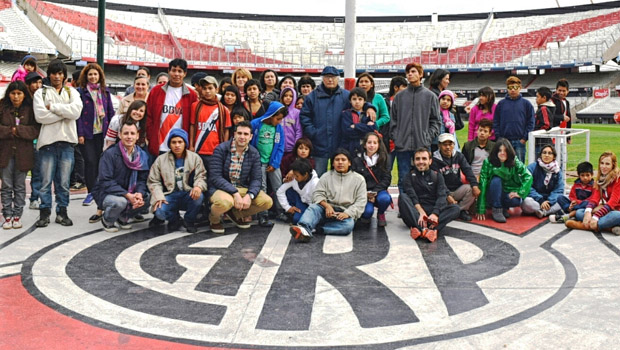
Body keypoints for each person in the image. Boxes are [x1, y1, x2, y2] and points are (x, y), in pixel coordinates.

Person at [33, 59, 83, 227]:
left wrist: (53, 107)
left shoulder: (71, 92)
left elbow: (76, 112)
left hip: (67, 143)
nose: (57, 76)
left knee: (63, 182)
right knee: (45, 182)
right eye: (54, 73)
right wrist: (65, 113)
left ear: (64, 75)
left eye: (60, 73)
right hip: (47, 143)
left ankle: (62, 212)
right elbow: (40, 116)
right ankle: (44, 212)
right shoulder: (41, 93)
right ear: (49, 75)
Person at [300, 66, 376, 176]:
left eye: (333, 77)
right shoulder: (312, 97)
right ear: (322, 78)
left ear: (338, 79)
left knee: (339, 177)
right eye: (327, 77)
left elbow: (358, 103)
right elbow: (304, 117)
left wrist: (369, 107)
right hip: (319, 144)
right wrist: (314, 133)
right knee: (318, 177)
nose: (330, 80)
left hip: (340, 144)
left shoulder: (345, 95)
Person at [207, 120, 273, 234]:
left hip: (241, 187)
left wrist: (249, 195)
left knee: (267, 201)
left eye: (246, 134)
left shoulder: (254, 153)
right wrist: (235, 193)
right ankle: (214, 219)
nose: (242, 137)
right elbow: (215, 177)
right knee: (224, 203)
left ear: (251, 136)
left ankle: (235, 214)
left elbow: (257, 179)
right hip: (220, 188)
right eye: (240, 133)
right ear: (234, 134)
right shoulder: (221, 149)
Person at [289, 149, 367, 242]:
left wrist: (348, 213)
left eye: (343, 160)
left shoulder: (359, 179)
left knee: (348, 226)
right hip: (325, 210)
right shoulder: (326, 176)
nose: (340, 162)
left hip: (344, 212)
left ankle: (317, 229)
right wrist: (327, 206)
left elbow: (361, 202)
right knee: (314, 208)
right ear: (333, 163)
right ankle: (304, 228)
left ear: (349, 163)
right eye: (337, 160)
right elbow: (317, 194)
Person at [390, 62, 441, 189]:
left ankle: (422, 206)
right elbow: (393, 121)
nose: (410, 74)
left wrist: (427, 138)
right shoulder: (399, 97)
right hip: (403, 146)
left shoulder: (431, 97)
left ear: (420, 74)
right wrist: (397, 138)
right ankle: (405, 207)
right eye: (408, 72)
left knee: (424, 179)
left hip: (422, 145)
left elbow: (436, 121)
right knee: (403, 178)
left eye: (413, 72)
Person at [92, 122, 150, 232]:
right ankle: (108, 220)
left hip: (129, 192)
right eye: (126, 133)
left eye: (132, 133)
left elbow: (142, 179)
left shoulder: (142, 155)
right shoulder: (109, 154)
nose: (129, 137)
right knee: (120, 202)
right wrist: (128, 195)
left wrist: (139, 194)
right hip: (107, 193)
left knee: (148, 198)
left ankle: (123, 217)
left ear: (137, 136)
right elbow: (105, 181)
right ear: (120, 135)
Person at [148, 128, 207, 233]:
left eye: (180, 142)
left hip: (187, 193)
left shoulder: (195, 158)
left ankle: (189, 221)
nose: (177, 145)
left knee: (199, 197)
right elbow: (153, 181)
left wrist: (198, 186)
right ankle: (175, 220)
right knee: (159, 211)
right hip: (169, 194)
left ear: (185, 143)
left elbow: (201, 176)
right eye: (173, 142)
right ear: (169, 144)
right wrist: (159, 197)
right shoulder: (160, 160)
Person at [0, 81, 40, 229]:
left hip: (24, 153)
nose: (16, 97)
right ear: (8, 94)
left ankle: (17, 215)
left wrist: (20, 131)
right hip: (5, 152)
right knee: (6, 185)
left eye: (19, 93)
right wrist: (10, 131)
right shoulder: (2, 107)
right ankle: (7, 215)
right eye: (13, 93)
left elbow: (36, 129)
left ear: (24, 94)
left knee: (19, 186)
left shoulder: (30, 109)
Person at [398, 147, 460, 242]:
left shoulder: (437, 176)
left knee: (455, 209)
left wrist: (435, 213)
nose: (421, 161)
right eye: (417, 159)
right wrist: (421, 212)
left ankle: (426, 229)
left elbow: (442, 196)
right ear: (414, 161)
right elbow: (412, 196)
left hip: (433, 211)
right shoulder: (409, 176)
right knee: (403, 197)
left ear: (430, 161)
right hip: (416, 212)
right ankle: (424, 228)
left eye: (424, 158)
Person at [76, 63, 115, 207]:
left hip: (102, 133)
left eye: (95, 74)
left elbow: (110, 112)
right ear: (86, 76)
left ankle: (100, 190)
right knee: (90, 162)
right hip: (87, 134)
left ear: (100, 76)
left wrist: (113, 133)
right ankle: (91, 191)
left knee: (101, 163)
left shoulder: (105, 92)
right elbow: (78, 115)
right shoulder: (80, 92)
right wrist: (80, 133)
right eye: (90, 74)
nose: (93, 77)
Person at [146, 58, 198, 156]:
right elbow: (149, 116)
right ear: (169, 71)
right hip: (158, 146)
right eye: (174, 70)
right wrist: (151, 137)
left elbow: (193, 122)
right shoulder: (156, 91)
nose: (176, 74)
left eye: (180, 71)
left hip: (180, 147)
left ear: (185, 73)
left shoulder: (191, 95)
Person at [476, 138, 533, 223]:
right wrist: (481, 207)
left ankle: (503, 208)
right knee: (496, 180)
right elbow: (483, 183)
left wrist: (520, 192)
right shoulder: (488, 162)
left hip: (507, 192)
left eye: (505, 151)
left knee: (515, 201)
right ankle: (496, 208)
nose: (502, 153)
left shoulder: (515, 161)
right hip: (491, 193)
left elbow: (528, 176)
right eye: (499, 151)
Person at [250, 101, 287, 226]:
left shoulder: (278, 128)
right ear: (271, 115)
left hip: (273, 163)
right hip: (258, 163)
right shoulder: (255, 124)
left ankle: (280, 211)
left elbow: (281, 146)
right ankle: (263, 215)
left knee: (278, 186)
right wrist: (254, 161)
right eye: (278, 119)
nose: (279, 121)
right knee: (262, 188)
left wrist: (275, 163)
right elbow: (250, 144)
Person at [431, 133, 480, 221]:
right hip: (442, 192)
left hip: (457, 189)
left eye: (450, 144)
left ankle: (460, 210)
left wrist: (475, 185)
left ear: (454, 145)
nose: (448, 147)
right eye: (444, 144)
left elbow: (468, 170)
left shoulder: (459, 156)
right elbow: (438, 181)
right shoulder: (434, 160)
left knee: (470, 189)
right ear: (439, 145)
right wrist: (447, 195)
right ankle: (451, 210)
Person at [569, 152, 620, 235]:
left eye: (607, 164)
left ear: (613, 165)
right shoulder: (600, 179)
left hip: (616, 210)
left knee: (617, 216)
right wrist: (588, 212)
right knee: (580, 212)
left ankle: (582, 226)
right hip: (609, 210)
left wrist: (596, 216)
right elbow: (595, 198)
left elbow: (613, 202)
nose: (604, 166)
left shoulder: (618, 179)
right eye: (602, 163)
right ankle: (608, 228)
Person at [189, 76, 231, 171]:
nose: (207, 91)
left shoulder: (224, 110)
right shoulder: (195, 106)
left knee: (213, 179)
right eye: (204, 88)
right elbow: (192, 126)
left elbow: (226, 131)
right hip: (198, 149)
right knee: (198, 178)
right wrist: (191, 145)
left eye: (210, 88)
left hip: (215, 151)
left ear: (216, 89)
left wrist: (223, 148)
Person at [352, 132, 392, 227]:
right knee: (367, 212)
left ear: (379, 145)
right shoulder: (357, 160)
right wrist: (366, 194)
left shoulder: (384, 158)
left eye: (375, 143)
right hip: (363, 192)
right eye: (369, 142)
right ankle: (366, 216)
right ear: (365, 145)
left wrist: (374, 192)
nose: (372, 145)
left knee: (385, 199)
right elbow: (354, 180)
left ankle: (381, 213)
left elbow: (387, 179)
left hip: (378, 191)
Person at [493, 76, 535, 162]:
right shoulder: (501, 104)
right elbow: (496, 121)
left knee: (519, 166)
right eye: (510, 87)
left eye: (515, 87)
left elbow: (531, 122)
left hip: (519, 141)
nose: (513, 90)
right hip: (504, 141)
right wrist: (499, 137)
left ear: (520, 88)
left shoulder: (526, 104)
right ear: (507, 88)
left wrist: (524, 138)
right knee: (504, 164)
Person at [521, 145, 565, 218]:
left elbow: (559, 189)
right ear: (540, 155)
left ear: (554, 156)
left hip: (550, 200)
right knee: (526, 202)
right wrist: (541, 200)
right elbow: (527, 187)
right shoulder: (532, 167)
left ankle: (543, 212)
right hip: (536, 200)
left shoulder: (557, 170)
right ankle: (548, 211)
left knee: (564, 199)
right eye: (544, 152)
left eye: (550, 153)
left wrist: (550, 202)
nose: (546, 155)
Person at [276, 158, 319, 224]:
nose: (294, 177)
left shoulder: (315, 183)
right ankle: (292, 212)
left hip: (313, 206)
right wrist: (287, 207)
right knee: (296, 219)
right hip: (302, 201)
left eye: (297, 176)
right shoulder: (294, 177)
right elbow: (280, 191)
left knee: (301, 220)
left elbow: (316, 204)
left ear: (305, 174)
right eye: (294, 174)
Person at [25, 72, 44, 210]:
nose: (37, 86)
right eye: (34, 83)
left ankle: (35, 198)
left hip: (40, 138)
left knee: (38, 171)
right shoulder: (25, 100)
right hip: (26, 139)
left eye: (40, 83)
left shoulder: (44, 97)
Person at [340, 87, 376, 155]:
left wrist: (356, 126)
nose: (357, 102)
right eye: (354, 99)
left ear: (364, 101)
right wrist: (365, 128)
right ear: (350, 101)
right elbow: (347, 131)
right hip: (349, 148)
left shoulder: (368, 114)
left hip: (365, 149)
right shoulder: (346, 114)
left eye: (360, 99)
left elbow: (373, 129)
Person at [280, 87, 303, 157]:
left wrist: (296, 146)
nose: (288, 98)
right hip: (279, 148)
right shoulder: (278, 111)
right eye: (285, 95)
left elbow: (299, 131)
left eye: (291, 96)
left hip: (292, 149)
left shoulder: (297, 113)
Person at [533, 86, 556, 155]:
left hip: (542, 142)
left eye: (537, 97)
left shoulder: (543, 108)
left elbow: (546, 125)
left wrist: (535, 131)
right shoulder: (546, 108)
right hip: (543, 141)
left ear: (544, 98)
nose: (536, 99)